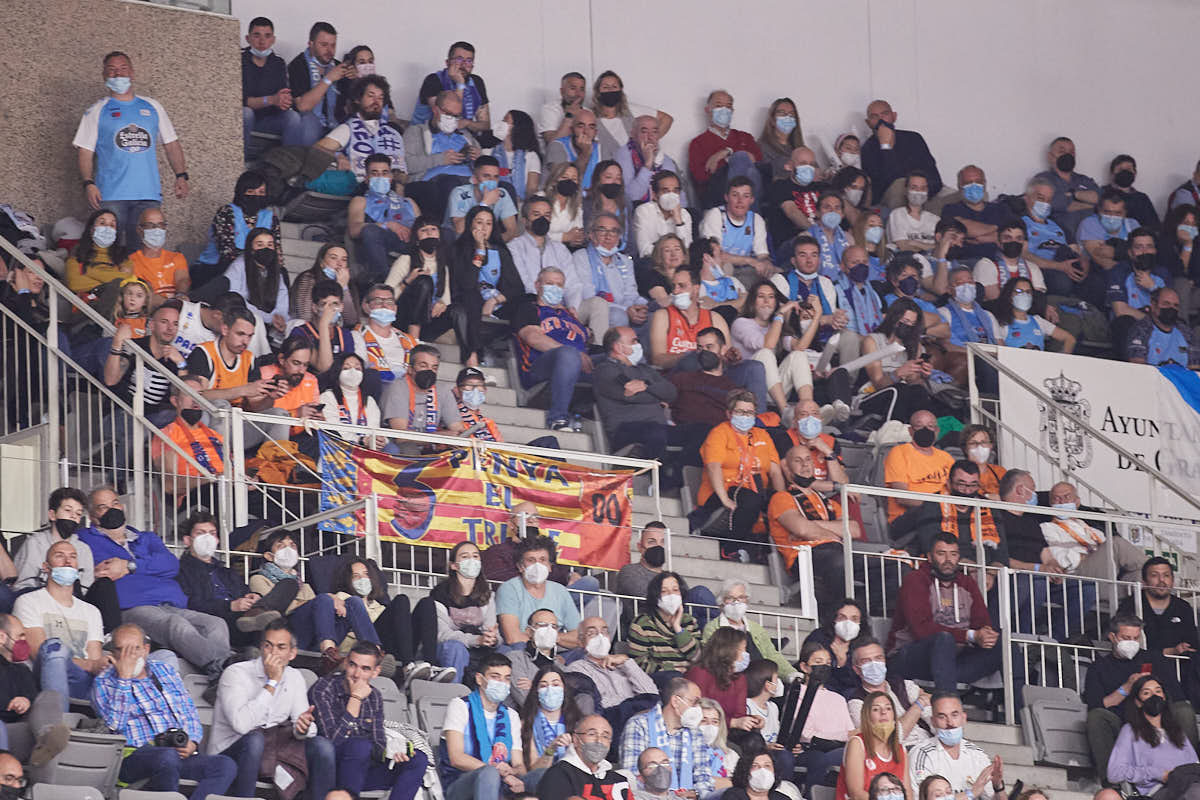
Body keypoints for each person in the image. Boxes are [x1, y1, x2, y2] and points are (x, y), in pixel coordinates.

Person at [79, 487, 231, 689]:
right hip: (133, 607)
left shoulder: (146, 537)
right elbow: (100, 571)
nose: (112, 509)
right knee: (176, 625)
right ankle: (225, 669)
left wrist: (130, 566)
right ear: (92, 516)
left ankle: (218, 677)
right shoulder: (86, 539)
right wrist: (151, 567)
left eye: (115, 503)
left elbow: (171, 564)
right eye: (103, 507)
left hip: (169, 602)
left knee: (216, 624)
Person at [92, 623, 237, 800]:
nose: (128, 656)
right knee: (167, 757)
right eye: (121, 650)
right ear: (112, 653)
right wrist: (124, 679)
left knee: (225, 765)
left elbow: (188, 711)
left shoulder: (164, 670)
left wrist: (192, 741)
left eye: (135, 649)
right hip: (132, 756)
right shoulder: (104, 682)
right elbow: (114, 726)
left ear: (146, 650)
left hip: (175, 753)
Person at [75, 51, 188, 247]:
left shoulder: (153, 106)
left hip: (148, 194)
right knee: (108, 249)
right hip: (110, 195)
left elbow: (171, 144)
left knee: (143, 251)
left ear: (132, 73)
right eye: (112, 70)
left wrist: (181, 175)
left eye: (123, 69)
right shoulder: (96, 110)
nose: (118, 74)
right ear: (104, 75)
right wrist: (88, 183)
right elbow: (85, 151)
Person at [209, 619, 328, 798]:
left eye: (281, 647)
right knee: (255, 740)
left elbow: (303, 726)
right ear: (261, 648)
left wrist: (302, 728)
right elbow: (242, 726)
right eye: (268, 646)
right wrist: (271, 683)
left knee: (322, 747)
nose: (273, 653)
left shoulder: (294, 677)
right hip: (229, 751)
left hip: (273, 752)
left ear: (292, 653)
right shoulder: (236, 673)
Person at [1084, 613, 1198, 781]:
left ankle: (1193, 771)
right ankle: (1112, 784)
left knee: (1184, 710)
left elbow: (1176, 696)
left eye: (1135, 638)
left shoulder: (1154, 658)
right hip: (1122, 720)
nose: (1131, 642)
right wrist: (1127, 688)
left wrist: (1152, 690)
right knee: (1096, 717)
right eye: (1126, 638)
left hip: (1159, 718)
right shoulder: (1099, 667)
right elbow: (1097, 705)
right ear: (1112, 637)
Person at [309, 641, 428, 800]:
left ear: (375, 672)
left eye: (365, 669)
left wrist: (393, 753)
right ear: (345, 663)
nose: (357, 674)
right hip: (330, 770)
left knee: (418, 759)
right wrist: (355, 699)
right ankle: (346, 796)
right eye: (353, 665)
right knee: (360, 745)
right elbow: (331, 742)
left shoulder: (374, 696)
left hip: (362, 768)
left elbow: (379, 744)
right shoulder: (324, 688)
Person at [885, 533, 1005, 691]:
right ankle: (947, 700)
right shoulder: (915, 580)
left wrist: (986, 634)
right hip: (910, 657)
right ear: (929, 557)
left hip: (954, 661)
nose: (948, 560)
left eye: (953, 554)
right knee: (943, 639)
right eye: (941, 554)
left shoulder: (967, 583)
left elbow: (981, 623)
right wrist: (970, 635)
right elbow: (922, 630)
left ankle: (1017, 704)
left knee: (1004, 642)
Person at [15, 539, 108, 711]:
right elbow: (38, 653)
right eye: (60, 556)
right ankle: (57, 720)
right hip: (42, 678)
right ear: (46, 567)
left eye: (73, 557)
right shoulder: (28, 602)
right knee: (54, 648)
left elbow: (94, 660)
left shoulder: (91, 611)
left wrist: (93, 665)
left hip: (80, 681)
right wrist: (89, 665)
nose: (67, 561)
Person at [693, 389, 784, 562]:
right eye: (740, 412)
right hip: (722, 491)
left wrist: (781, 500)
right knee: (751, 500)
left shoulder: (762, 435)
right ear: (729, 413)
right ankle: (729, 549)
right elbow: (713, 467)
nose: (745, 416)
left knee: (778, 503)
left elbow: (775, 472)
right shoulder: (720, 433)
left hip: (755, 491)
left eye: (749, 412)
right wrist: (725, 499)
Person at [767, 446, 857, 616]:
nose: (805, 465)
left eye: (808, 459)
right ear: (788, 468)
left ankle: (859, 616)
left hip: (838, 553)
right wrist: (836, 532)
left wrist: (813, 525)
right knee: (838, 562)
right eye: (798, 461)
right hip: (806, 556)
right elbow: (802, 529)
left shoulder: (829, 502)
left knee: (894, 565)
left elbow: (854, 529)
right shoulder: (781, 498)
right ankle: (837, 618)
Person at [176, 511, 290, 643]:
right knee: (267, 621)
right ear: (187, 540)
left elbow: (244, 591)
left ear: (217, 540)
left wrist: (254, 596)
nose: (207, 538)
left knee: (288, 583)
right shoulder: (181, 571)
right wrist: (230, 606)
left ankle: (258, 613)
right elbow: (191, 604)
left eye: (212, 533)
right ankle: (258, 623)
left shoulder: (226, 571)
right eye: (200, 533)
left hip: (246, 616)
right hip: (220, 621)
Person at [513, 268, 593, 431]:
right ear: (537, 285)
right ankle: (557, 418)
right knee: (568, 354)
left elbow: (587, 339)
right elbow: (533, 337)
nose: (555, 288)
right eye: (549, 283)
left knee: (612, 361)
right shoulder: (529, 308)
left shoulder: (570, 315)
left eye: (559, 285)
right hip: (539, 367)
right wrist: (576, 355)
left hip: (577, 366)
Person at [440, 652, 529, 799]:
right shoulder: (460, 706)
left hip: (502, 781)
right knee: (490, 773)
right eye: (495, 677)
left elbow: (519, 765)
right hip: (460, 783)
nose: (502, 683)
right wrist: (497, 771)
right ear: (480, 679)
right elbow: (456, 758)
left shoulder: (511, 715)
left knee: (540, 777)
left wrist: (512, 772)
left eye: (507, 678)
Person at [1097, 675, 1198, 799]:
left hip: (1188, 785)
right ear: (1138, 702)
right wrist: (1157, 773)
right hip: (1159, 792)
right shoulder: (1130, 731)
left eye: (1158, 691)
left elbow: (1194, 765)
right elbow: (1115, 773)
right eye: (1146, 693)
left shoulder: (1177, 731)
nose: (1154, 696)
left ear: (1164, 697)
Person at [449, 205, 524, 365]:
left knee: (527, 301)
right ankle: (474, 355)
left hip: (495, 302)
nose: (484, 228)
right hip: (468, 301)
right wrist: (480, 250)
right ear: (470, 224)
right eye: (479, 222)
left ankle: (520, 358)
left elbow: (517, 287)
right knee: (471, 296)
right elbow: (467, 283)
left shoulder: (501, 251)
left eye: (488, 223)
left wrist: (494, 300)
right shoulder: (458, 249)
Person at [619, 678, 714, 795]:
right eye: (694, 702)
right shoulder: (639, 725)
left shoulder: (695, 733)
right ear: (675, 701)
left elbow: (704, 776)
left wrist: (696, 794)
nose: (698, 708)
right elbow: (632, 776)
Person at [782, 640, 854, 795]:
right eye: (818, 662)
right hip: (809, 751)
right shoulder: (797, 693)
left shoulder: (838, 699)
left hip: (838, 749)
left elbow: (851, 733)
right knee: (820, 758)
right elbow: (805, 734)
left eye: (827, 663)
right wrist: (842, 735)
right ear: (804, 667)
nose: (824, 667)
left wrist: (844, 736)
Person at [594, 326, 676, 462]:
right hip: (624, 431)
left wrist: (647, 386)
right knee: (654, 431)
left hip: (658, 428)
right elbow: (633, 396)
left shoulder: (645, 369)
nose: (638, 345)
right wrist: (658, 397)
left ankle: (678, 473)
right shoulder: (605, 370)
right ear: (618, 347)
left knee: (701, 431)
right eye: (634, 341)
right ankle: (659, 475)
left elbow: (671, 392)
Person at [1040, 482, 1145, 584]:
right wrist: (1090, 556)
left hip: (1107, 570)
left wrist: (1098, 555)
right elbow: (1060, 559)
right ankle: (1151, 565)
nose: (1062, 501)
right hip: (1079, 571)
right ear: (1051, 504)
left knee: (1139, 576)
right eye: (1056, 498)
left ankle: (1150, 570)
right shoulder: (1047, 527)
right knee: (1116, 543)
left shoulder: (1092, 529)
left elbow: (1108, 552)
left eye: (1067, 497)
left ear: (1077, 502)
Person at [564, 213, 644, 344]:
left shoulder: (625, 261)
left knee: (651, 316)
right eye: (602, 230)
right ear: (591, 235)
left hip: (626, 308)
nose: (608, 236)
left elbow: (631, 293)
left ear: (619, 237)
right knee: (618, 316)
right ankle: (608, 354)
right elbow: (588, 296)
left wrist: (640, 308)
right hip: (594, 310)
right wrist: (626, 310)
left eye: (614, 231)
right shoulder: (581, 257)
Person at [615, 524, 719, 624]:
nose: (658, 546)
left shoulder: (672, 577)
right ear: (640, 547)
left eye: (662, 542)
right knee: (699, 593)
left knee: (705, 619)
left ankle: (722, 630)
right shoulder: (630, 571)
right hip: (648, 622)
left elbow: (684, 598)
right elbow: (651, 597)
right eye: (652, 542)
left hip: (678, 619)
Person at [907, 693, 1004, 800]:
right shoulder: (921, 755)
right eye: (942, 717)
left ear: (964, 718)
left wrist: (998, 787)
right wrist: (971, 793)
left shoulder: (977, 755)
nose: (950, 723)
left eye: (954, 715)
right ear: (933, 721)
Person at [401, 91, 482, 220]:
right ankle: (447, 228)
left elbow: (483, 164)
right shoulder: (416, 132)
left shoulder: (465, 135)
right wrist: (440, 159)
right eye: (448, 114)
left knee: (504, 187)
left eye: (456, 116)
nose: (452, 119)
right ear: (435, 110)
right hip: (435, 181)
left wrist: (478, 158)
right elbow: (407, 165)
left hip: (469, 180)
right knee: (450, 183)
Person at [193, 171, 283, 282]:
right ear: (241, 192)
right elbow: (227, 252)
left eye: (261, 192)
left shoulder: (270, 217)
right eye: (251, 192)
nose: (256, 196)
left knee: (281, 274)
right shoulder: (227, 212)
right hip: (216, 269)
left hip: (257, 270)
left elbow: (276, 252)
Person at [567, 617, 659, 724]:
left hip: (643, 720)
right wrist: (636, 702)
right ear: (580, 642)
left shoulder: (623, 665)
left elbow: (652, 694)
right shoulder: (577, 669)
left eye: (604, 632)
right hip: (611, 722)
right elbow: (599, 704)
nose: (600, 637)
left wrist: (627, 662)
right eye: (591, 633)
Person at [702, 580, 797, 682]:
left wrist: (791, 673)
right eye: (730, 598)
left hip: (760, 680)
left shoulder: (756, 628)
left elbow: (772, 654)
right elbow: (712, 658)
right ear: (722, 602)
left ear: (747, 600)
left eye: (741, 597)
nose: (736, 602)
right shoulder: (712, 628)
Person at [496, 537, 581, 650]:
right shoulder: (509, 588)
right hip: (522, 650)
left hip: (554, 650)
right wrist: (546, 640)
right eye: (531, 560)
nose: (537, 565)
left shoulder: (560, 591)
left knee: (586, 652)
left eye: (543, 560)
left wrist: (553, 638)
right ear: (520, 567)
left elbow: (579, 637)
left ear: (550, 566)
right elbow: (513, 638)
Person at [315, 76, 405, 182]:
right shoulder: (347, 129)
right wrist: (338, 156)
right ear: (358, 99)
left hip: (391, 186)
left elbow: (403, 170)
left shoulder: (393, 133)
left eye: (380, 98)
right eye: (371, 96)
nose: (376, 102)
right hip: (358, 184)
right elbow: (317, 148)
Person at [847, 638, 933, 748]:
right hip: (901, 750)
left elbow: (932, 714)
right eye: (866, 661)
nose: (874, 665)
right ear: (856, 669)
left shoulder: (903, 685)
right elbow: (890, 737)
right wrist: (918, 705)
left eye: (878, 658)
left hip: (931, 743)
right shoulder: (857, 703)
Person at [431, 542, 497, 683]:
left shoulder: (488, 595)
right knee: (455, 648)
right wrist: (475, 640)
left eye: (475, 556)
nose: (472, 561)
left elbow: (490, 629)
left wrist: (492, 639)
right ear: (453, 565)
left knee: (506, 652)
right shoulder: (440, 594)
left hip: (479, 648)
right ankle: (453, 692)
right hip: (449, 648)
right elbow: (442, 635)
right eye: (465, 557)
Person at [348, 154, 420, 282]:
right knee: (370, 231)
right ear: (367, 179)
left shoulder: (409, 201)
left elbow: (423, 224)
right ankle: (383, 281)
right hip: (386, 240)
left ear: (390, 178)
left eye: (384, 173)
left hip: (412, 240)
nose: (380, 177)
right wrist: (388, 225)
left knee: (443, 232)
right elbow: (354, 230)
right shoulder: (360, 200)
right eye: (374, 173)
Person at [687, 90, 763, 209]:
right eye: (718, 106)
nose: (724, 110)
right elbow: (700, 177)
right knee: (742, 159)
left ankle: (742, 209)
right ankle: (745, 212)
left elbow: (758, 162)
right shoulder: (698, 143)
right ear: (707, 110)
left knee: (745, 164)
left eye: (728, 106)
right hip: (717, 196)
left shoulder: (745, 137)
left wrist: (725, 153)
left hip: (752, 188)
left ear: (732, 111)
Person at [859, 100, 941, 207]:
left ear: (894, 116)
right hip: (892, 196)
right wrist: (885, 146)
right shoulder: (867, 149)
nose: (880, 120)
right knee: (899, 185)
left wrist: (921, 191)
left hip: (925, 191)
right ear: (868, 123)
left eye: (885, 114)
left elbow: (934, 175)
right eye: (874, 116)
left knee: (951, 195)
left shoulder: (913, 138)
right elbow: (888, 181)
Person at [648, 266, 732, 369]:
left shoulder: (715, 319)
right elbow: (657, 360)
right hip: (676, 374)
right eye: (673, 286)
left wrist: (733, 356)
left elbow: (726, 355)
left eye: (681, 286)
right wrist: (691, 357)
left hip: (710, 374)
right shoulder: (662, 316)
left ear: (696, 289)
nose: (675, 291)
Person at [240, 17, 304, 153]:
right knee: (246, 113)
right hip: (245, 118)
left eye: (267, 36)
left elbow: (283, 95)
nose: (262, 41)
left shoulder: (278, 63)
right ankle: (238, 161)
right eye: (256, 35)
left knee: (293, 117)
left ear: (273, 40)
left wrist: (284, 101)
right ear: (247, 38)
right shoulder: (238, 60)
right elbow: (240, 101)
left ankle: (288, 163)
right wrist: (271, 100)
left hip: (268, 119)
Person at [1107, 227, 1171, 356]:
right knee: (1124, 322)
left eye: (1149, 247)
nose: (1144, 252)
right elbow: (1121, 310)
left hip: (1157, 328)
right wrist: (1153, 322)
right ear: (1130, 252)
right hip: (1131, 325)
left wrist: (1153, 287)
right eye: (1139, 247)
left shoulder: (1162, 273)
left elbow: (1170, 310)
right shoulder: (1120, 271)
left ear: (1155, 250)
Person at [882, 410, 955, 522]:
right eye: (919, 426)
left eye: (930, 426)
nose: (925, 430)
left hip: (945, 515)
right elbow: (902, 497)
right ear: (910, 431)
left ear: (937, 431)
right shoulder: (899, 452)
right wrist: (938, 507)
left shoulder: (946, 457)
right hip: (908, 518)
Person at [1116, 558, 1198, 656]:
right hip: (1141, 663)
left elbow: (1192, 643)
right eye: (1154, 575)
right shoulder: (1130, 605)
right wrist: (1169, 651)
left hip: (1178, 663)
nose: (1161, 580)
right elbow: (1124, 647)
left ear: (1172, 581)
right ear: (1144, 582)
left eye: (1166, 575)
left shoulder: (1183, 607)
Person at [699, 177, 773, 286]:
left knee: (775, 275)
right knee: (727, 270)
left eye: (746, 196)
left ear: (752, 200)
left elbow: (762, 255)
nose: (740, 201)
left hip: (746, 270)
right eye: (735, 195)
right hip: (719, 267)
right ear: (726, 197)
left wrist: (766, 263)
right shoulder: (716, 215)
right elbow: (716, 255)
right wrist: (750, 261)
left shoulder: (756, 219)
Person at [286, 22, 351, 145]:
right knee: (309, 121)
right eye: (324, 45)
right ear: (311, 44)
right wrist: (328, 79)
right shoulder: (297, 65)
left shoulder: (340, 67)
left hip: (335, 124)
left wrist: (356, 79)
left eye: (333, 45)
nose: (330, 51)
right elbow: (302, 106)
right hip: (309, 125)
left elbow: (351, 107)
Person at [534, 714, 627, 800]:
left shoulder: (619, 780)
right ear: (575, 739)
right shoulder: (558, 775)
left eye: (605, 736)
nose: (599, 741)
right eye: (592, 734)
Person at [837, 692, 909, 800]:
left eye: (888, 708)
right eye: (876, 709)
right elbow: (856, 794)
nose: (883, 712)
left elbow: (908, 793)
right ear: (867, 717)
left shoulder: (901, 750)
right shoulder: (857, 743)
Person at [628, 572, 702, 678]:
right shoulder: (642, 623)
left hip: (689, 677)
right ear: (655, 596)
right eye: (664, 591)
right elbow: (638, 663)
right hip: (660, 679)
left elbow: (697, 657)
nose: (671, 595)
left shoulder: (689, 621)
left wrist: (678, 629)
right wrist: (671, 670)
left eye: (675, 590)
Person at [684, 627, 757, 730]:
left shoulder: (739, 678)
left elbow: (740, 714)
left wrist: (753, 720)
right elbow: (697, 712)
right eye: (741, 650)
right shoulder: (699, 673)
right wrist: (731, 722)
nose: (745, 655)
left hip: (729, 731)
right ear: (727, 651)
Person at [222, 227, 289, 339]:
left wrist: (279, 316)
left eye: (270, 245)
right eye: (260, 245)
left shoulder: (276, 270)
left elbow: (282, 297)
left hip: (271, 320)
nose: (266, 249)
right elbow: (235, 298)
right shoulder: (238, 266)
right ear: (251, 249)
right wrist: (268, 318)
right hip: (242, 315)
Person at [412, 41, 492, 133]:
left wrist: (467, 123)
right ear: (447, 62)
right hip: (427, 133)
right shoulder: (433, 80)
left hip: (460, 136)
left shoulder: (477, 82)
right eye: (459, 59)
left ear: (472, 65)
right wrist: (460, 83)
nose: (464, 64)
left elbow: (485, 125)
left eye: (469, 61)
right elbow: (443, 123)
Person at [1033, 136, 1101, 243]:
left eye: (1071, 152)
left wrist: (1073, 195)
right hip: (1059, 239)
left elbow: (1100, 199)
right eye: (1062, 151)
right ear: (1050, 156)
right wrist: (1090, 204)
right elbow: (1055, 203)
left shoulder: (1085, 180)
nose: (1067, 155)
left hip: (1092, 239)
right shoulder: (1043, 179)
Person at [66, 209, 133, 310]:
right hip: (87, 309)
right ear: (91, 229)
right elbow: (74, 283)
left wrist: (88, 272)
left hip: (118, 308)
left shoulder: (123, 258)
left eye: (112, 225)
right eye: (102, 223)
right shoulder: (77, 255)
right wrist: (113, 280)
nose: (107, 228)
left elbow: (126, 281)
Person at [937, 166, 1006, 261]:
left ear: (985, 184)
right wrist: (997, 230)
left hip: (999, 261)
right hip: (964, 261)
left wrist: (983, 237)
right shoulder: (951, 209)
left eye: (978, 182)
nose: (974, 186)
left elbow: (1012, 235)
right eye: (968, 183)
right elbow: (964, 229)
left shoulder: (1001, 209)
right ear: (959, 186)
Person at [351, 283, 414, 383]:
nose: (384, 306)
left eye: (389, 302)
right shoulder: (356, 336)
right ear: (366, 307)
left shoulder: (409, 341)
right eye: (378, 301)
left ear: (395, 308)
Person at [510, 196, 573, 293]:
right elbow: (524, 283)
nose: (542, 219)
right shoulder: (514, 247)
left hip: (560, 301)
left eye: (547, 215)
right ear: (524, 220)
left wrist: (570, 303)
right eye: (536, 215)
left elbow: (572, 284)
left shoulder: (560, 249)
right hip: (529, 300)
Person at [994, 277, 1075, 352]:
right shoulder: (1002, 324)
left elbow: (1070, 339)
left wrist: (1061, 359)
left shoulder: (1038, 321)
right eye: (1019, 291)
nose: (1024, 295)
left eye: (1028, 292)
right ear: (1010, 296)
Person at [617, 115, 684, 207]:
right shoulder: (623, 155)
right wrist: (648, 164)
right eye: (644, 132)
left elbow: (680, 197)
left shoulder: (665, 159)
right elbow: (631, 197)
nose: (650, 137)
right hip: (635, 211)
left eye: (655, 132)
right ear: (633, 134)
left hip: (663, 211)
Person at [449, 156, 519, 240]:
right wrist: (484, 203)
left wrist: (490, 244)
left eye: (496, 177)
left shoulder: (502, 194)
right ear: (474, 179)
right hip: (459, 241)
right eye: (486, 176)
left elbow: (511, 231)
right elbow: (459, 229)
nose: (492, 180)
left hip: (488, 242)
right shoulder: (460, 193)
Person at [1128, 287, 1200, 367]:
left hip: (1182, 375)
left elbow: (1195, 366)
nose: (1171, 308)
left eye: (1175, 305)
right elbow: (1138, 366)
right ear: (1153, 305)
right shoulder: (1141, 329)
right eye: (1166, 304)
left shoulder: (1186, 332)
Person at [129, 207, 189, 302]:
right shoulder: (131, 262)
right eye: (150, 225)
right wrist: (169, 304)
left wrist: (181, 295)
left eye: (161, 225)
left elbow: (182, 279)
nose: (157, 229)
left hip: (178, 303)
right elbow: (144, 292)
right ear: (139, 230)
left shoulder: (177, 257)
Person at [634, 172, 693, 258]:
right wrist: (674, 252)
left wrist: (678, 222)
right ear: (654, 195)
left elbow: (687, 250)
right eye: (666, 191)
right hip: (651, 263)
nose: (671, 195)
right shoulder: (643, 211)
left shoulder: (684, 214)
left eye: (675, 191)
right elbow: (644, 251)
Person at [546, 109, 605, 190]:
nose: (586, 132)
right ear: (571, 129)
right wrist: (585, 153)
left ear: (595, 132)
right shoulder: (557, 146)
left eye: (591, 127)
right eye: (581, 126)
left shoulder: (600, 148)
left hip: (591, 196)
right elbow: (565, 184)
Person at [1104, 154, 1159, 230]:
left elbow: (1154, 226)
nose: (1124, 172)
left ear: (1135, 173)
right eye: (1120, 169)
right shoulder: (1102, 194)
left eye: (1128, 169)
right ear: (1112, 174)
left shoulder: (1142, 198)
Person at [888, 171, 940, 252]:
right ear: (906, 190)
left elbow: (940, 247)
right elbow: (903, 246)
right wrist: (929, 247)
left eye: (923, 188)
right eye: (914, 187)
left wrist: (915, 243)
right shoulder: (897, 214)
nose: (918, 191)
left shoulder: (936, 219)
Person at [543, 163, 587, 248]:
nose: (569, 181)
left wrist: (576, 239)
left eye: (574, 179)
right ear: (554, 180)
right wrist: (563, 237)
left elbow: (577, 233)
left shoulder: (577, 206)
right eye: (564, 177)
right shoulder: (541, 198)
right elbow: (534, 233)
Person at [539, 71, 587, 146]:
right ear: (562, 91)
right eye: (573, 88)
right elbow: (552, 144)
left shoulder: (588, 112)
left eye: (582, 89)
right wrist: (570, 116)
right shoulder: (550, 109)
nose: (578, 94)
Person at [959, 425, 1006, 499]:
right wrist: (987, 497)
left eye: (984, 442)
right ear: (965, 448)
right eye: (973, 443)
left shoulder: (1000, 472)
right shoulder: (959, 472)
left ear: (991, 445)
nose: (979, 447)